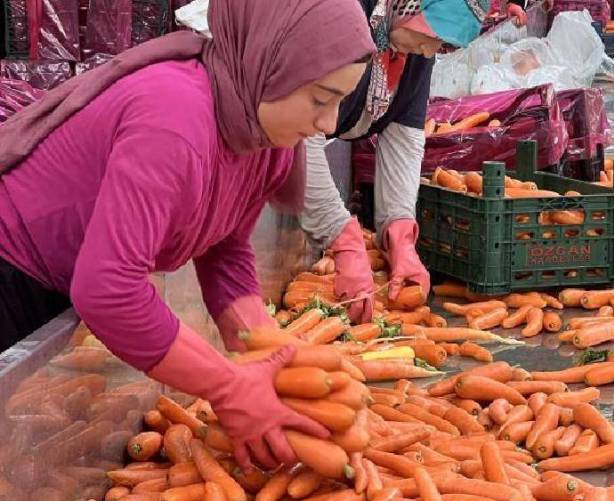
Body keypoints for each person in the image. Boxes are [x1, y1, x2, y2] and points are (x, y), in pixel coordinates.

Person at [0, 0, 377, 471]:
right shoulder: (173, 118)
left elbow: (227, 251)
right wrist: (228, 386)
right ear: (268, 62)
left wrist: (273, 363)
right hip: (10, 267)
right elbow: (108, 290)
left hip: (59, 276)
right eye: (321, 99)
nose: (328, 123)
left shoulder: (262, 139)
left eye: (340, 101)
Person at [300, 0, 491, 323]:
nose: (432, 51)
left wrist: (401, 235)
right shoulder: (339, 17)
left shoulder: (411, 47)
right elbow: (298, 137)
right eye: (436, 32)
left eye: (444, 45)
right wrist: (342, 239)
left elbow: (403, 134)